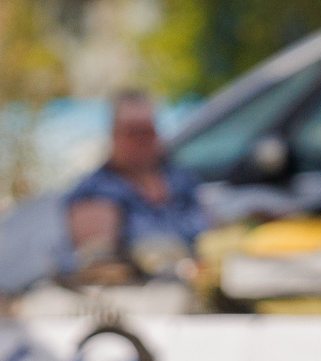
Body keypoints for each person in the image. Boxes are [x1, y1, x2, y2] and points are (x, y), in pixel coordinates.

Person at [62, 91, 210, 272]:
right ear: (114, 135)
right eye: (133, 132)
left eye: (148, 130)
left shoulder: (180, 177)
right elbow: (97, 262)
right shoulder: (96, 190)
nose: (143, 140)